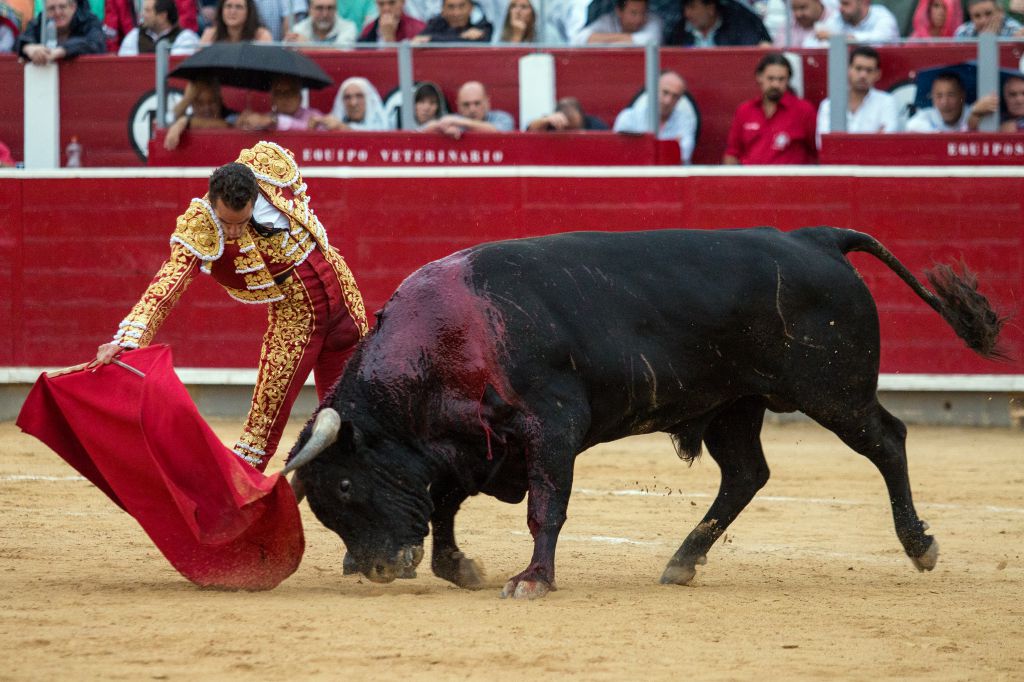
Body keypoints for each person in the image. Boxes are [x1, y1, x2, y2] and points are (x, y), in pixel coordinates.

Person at [94, 142, 368, 470]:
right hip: (295, 321)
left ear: (254, 198)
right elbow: (168, 284)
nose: (234, 230)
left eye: (241, 221)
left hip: (345, 301)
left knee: (358, 414)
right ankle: (231, 510)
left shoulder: (269, 166)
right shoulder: (202, 223)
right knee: (259, 434)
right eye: (227, 223)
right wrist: (126, 340)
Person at [724, 52, 817, 165]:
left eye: (781, 79)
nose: (775, 85)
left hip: (789, 181)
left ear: (788, 80)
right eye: (771, 79)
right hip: (750, 180)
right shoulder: (744, 110)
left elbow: (817, 151)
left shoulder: (804, 110)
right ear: (759, 77)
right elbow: (732, 153)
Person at [815, 45, 900, 148]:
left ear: (878, 74)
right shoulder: (828, 105)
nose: (863, 75)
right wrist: (873, 139)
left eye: (869, 70)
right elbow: (822, 144)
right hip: (838, 164)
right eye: (858, 69)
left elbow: (886, 142)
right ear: (848, 70)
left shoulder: (887, 102)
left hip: (873, 163)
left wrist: (843, 144)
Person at [612, 71, 696, 163]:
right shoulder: (629, 117)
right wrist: (671, 146)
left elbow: (684, 156)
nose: (668, 101)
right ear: (653, 91)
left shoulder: (685, 121)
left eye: (675, 96)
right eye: (665, 93)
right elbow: (619, 153)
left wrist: (641, 147)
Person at [17, 0, 105, 64]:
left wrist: (61, 51)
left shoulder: (89, 21)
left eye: (62, 7)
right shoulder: (40, 21)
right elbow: (21, 40)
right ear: (45, 10)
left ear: (73, 7)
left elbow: (96, 44)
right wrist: (28, 47)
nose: (57, 13)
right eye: (51, 8)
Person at [904, 71, 996, 132]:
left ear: (962, 96)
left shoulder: (975, 111)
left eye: (951, 95)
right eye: (939, 96)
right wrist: (970, 123)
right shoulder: (926, 116)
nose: (945, 102)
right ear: (932, 98)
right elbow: (911, 125)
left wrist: (974, 115)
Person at [421, 80, 514, 137]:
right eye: (466, 105)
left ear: (487, 102)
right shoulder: (451, 120)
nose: (472, 109)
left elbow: (499, 132)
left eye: (477, 103)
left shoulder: (502, 118)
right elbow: (419, 132)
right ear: (458, 106)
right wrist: (440, 127)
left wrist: (459, 122)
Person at [235, 76, 327, 131]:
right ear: (272, 99)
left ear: (300, 97)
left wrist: (274, 121)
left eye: (290, 92)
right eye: (279, 93)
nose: (285, 98)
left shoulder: (314, 115)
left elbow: (304, 126)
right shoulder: (266, 118)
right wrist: (244, 125)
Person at [163, 78, 232, 150]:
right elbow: (172, 119)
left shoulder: (231, 117)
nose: (207, 108)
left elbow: (227, 125)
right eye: (200, 103)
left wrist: (184, 122)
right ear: (192, 104)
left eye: (212, 102)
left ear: (220, 101)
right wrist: (186, 100)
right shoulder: (185, 120)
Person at [667, 0, 772, 46]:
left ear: (710, 9)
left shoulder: (737, 27)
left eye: (692, 7)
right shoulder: (679, 32)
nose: (687, 13)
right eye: (685, 8)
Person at [104, 0, 198, 51]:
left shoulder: (185, 38)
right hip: (134, 37)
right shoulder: (133, 37)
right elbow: (111, 26)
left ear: (162, 16)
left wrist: (174, 33)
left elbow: (187, 16)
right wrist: (112, 51)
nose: (142, 15)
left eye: (147, 11)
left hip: (175, 36)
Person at [313, 77, 389, 130]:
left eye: (359, 96)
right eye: (347, 97)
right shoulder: (333, 125)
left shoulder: (382, 126)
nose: (353, 103)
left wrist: (343, 128)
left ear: (369, 100)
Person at [807, 0, 900, 44]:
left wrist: (839, 38)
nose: (841, 8)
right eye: (840, 3)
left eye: (846, 3)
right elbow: (812, 43)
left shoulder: (882, 15)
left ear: (864, 2)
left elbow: (882, 38)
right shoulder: (838, 17)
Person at [572, 0, 663, 45]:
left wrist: (603, 40)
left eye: (643, 12)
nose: (639, 19)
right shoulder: (608, 20)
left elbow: (650, 40)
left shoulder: (654, 20)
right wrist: (626, 39)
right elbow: (579, 38)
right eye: (633, 13)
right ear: (619, 11)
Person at [413, 0, 492, 42]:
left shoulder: (483, 26)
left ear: (471, 8)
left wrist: (431, 39)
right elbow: (419, 40)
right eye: (451, 7)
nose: (456, 13)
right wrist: (462, 37)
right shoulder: (435, 24)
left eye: (462, 6)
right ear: (442, 10)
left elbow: (426, 39)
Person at [285, 0, 356, 44]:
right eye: (319, 8)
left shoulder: (348, 28)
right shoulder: (298, 29)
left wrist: (307, 46)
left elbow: (342, 54)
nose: (325, 14)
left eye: (330, 8)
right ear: (310, 9)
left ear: (336, 9)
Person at [199, 0, 272, 42]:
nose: (232, 11)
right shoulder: (211, 34)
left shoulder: (261, 35)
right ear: (221, 10)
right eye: (228, 6)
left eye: (239, 7)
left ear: (249, 12)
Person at [528, 96, 609, 131]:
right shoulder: (551, 121)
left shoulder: (595, 124)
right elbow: (529, 130)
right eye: (567, 128)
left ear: (582, 116)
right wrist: (546, 120)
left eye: (575, 127)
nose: (571, 132)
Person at [358, 0, 425, 41]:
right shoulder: (369, 29)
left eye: (392, 3)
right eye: (381, 4)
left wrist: (389, 38)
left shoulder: (418, 28)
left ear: (403, 2)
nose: (386, 9)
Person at [953, 0, 1023, 37]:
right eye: (977, 16)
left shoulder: (1015, 32)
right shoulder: (963, 32)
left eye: (988, 13)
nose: (983, 20)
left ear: (1000, 12)